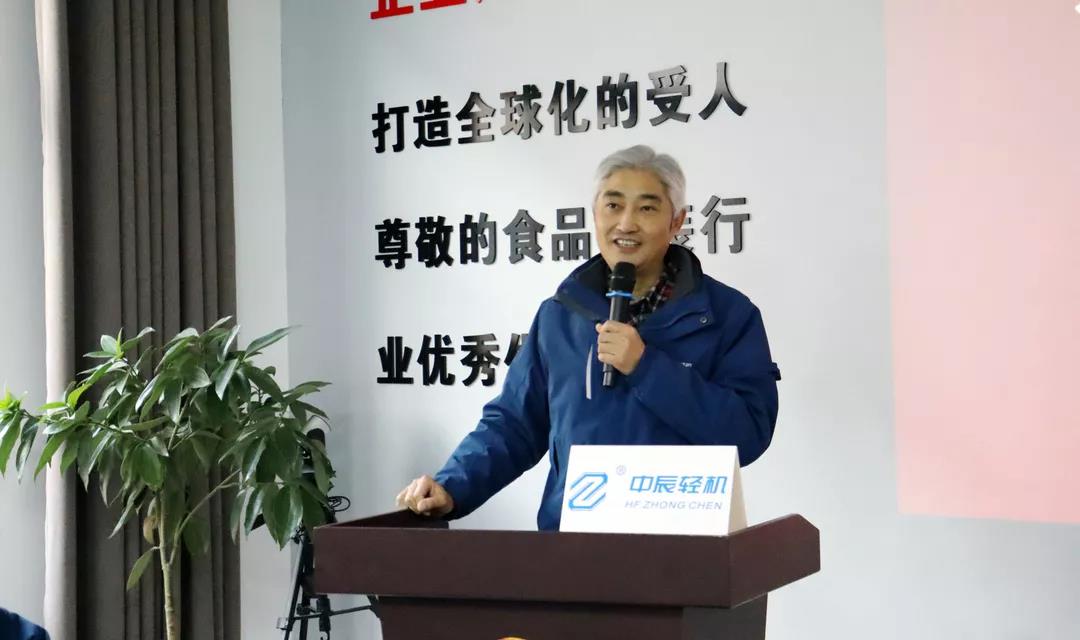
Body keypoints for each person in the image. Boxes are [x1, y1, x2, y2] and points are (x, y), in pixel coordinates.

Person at [396, 145, 781, 531]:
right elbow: (514, 425)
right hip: (575, 545)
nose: (626, 224)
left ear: (676, 221)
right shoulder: (560, 315)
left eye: (647, 208)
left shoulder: (727, 315)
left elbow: (747, 433)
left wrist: (646, 368)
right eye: (613, 205)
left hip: (683, 545)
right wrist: (453, 486)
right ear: (595, 214)